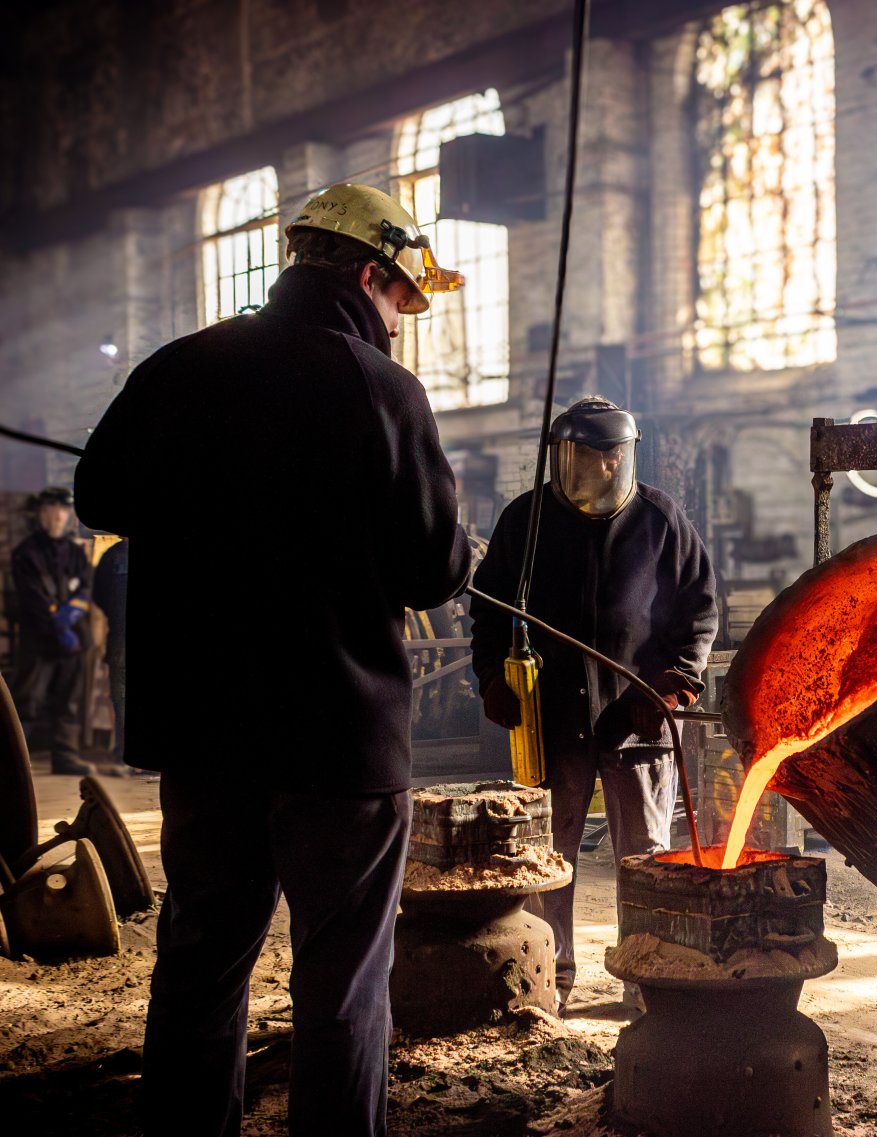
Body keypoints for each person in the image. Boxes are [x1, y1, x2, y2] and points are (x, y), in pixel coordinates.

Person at [75, 183, 470, 1137]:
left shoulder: (178, 368)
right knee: (340, 985)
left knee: (202, 962)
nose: (395, 326)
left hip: (206, 739)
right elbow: (432, 572)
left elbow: (99, 495)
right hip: (340, 745)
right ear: (372, 273)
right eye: (397, 303)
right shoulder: (382, 391)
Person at [469, 396, 717, 1013]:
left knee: (646, 858)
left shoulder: (661, 521)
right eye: (587, 460)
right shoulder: (524, 521)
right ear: (563, 458)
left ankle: (647, 978)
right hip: (551, 719)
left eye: (612, 460)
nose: (600, 472)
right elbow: (489, 613)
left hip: (637, 724)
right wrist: (491, 677)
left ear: (625, 459)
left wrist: (673, 685)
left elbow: (701, 613)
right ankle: (549, 977)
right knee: (548, 857)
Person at [9, 486, 92, 775]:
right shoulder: (26, 553)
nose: (57, 515)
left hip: (72, 641)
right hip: (39, 639)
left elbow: (84, 587)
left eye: (62, 510)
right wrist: (57, 624)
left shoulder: (74, 553)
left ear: (68, 514)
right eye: (50, 509)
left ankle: (65, 757)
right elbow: (33, 598)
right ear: (41, 514)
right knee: (28, 700)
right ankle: (14, 764)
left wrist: (69, 616)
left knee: (68, 700)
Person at [91, 536, 129, 765]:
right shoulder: (113, 557)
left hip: (118, 638)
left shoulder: (113, 556)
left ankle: (125, 752)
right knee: (120, 695)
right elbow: (99, 596)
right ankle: (124, 751)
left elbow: (99, 597)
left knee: (121, 695)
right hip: (118, 641)